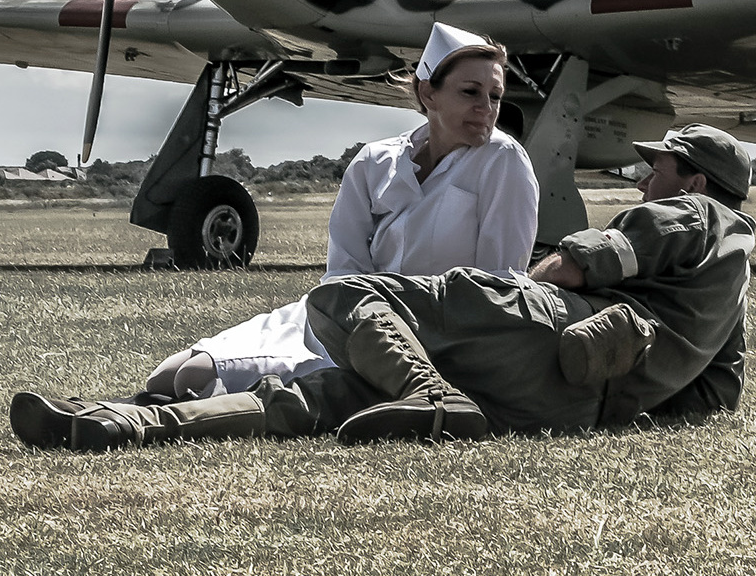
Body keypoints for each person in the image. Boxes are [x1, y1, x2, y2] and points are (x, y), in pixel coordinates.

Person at [10, 124, 754, 450]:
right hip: (563, 403)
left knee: (340, 299)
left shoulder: (695, 211)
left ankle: (431, 397)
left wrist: (523, 295)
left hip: (544, 329)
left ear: (693, 182)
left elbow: (582, 263)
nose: (644, 180)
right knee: (325, 400)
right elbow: (715, 396)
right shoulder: (733, 293)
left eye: (658, 168)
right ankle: (121, 424)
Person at [136, 22, 538, 403]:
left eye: (495, 96)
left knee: (193, 378)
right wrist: (347, 318)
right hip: (339, 313)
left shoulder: (504, 161)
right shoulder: (375, 161)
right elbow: (343, 270)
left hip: (422, 334)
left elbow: (499, 287)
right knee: (164, 376)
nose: (486, 108)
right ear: (428, 93)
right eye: (470, 92)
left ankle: (231, 409)